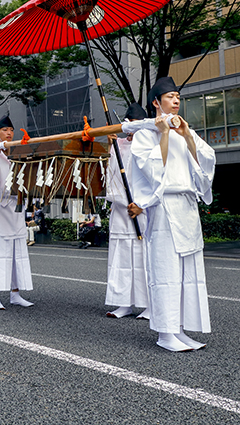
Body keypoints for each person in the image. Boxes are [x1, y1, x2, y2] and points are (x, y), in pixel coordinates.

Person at [130, 76, 215, 352]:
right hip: (165, 206)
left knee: (187, 272)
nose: (176, 100)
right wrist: (163, 133)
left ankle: (179, 329)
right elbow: (154, 170)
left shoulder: (183, 129)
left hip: (187, 207)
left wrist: (187, 134)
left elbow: (204, 161)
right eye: (170, 96)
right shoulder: (145, 133)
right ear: (156, 102)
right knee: (166, 269)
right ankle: (165, 333)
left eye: (178, 96)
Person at [0, 115, 34, 310]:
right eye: (4, 130)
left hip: (16, 207)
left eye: (11, 129)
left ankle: (15, 293)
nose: (9, 133)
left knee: (17, 252)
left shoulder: (18, 151)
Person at [104, 103, 150, 319]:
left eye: (137, 126)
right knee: (121, 258)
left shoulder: (151, 145)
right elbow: (111, 178)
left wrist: (142, 204)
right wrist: (111, 145)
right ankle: (124, 303)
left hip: (142, 211)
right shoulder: (117, 146)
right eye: (130, 126)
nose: (132, 131)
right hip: (121, 210)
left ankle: (150, 305)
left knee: (144, 259)